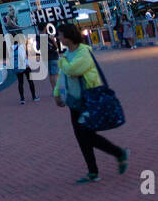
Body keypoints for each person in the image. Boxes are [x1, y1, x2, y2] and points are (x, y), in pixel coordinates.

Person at [54, 22, 129, 183]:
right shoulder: (68, 54)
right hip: (74, 101)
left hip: (88, 100)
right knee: (82, 137)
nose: (58, 37)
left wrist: (61, 62)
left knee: (86, 136)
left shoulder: (83, 53)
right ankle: (94, 170)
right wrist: (56, 93)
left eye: (60, 34)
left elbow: (73, 70)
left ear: (67, 36)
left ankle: (117, 154)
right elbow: (63, 76)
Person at [15, 35, 37, 103]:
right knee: (30, 81)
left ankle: (22, 99)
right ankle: (34, 97)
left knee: (20, 82)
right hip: (26, 65)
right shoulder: (24, 46)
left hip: (17, 66)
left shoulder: (12, 47)